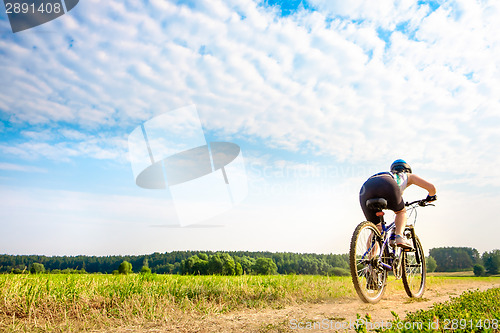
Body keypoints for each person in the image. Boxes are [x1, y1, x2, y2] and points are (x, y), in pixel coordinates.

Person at [359, 159, 437, 249]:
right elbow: (432, 188)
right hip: (387, 183)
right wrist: (431, 196)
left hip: (365, 189)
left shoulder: (389, 174)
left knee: (377, 229)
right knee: (401, 212)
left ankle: (370, 259)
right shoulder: (408, 176)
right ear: (407, 170)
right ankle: (399, 236)